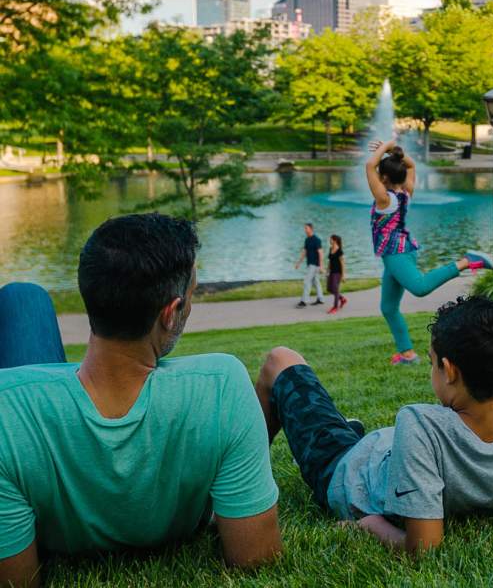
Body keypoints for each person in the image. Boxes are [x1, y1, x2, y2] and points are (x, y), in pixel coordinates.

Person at [0, 213, 281, 588]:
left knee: (24, 296)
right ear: (170, 313)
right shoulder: (222, 387)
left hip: (34, 411)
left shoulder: (7, 409)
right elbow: (255, 559)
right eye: (192, 295)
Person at [255, 296, 493, 556]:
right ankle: (349, 427)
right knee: (348, 428)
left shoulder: (420, 424)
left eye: (431, 361)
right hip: (381, 448)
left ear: (448, 371)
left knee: (280, 360)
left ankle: (244, 478)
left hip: (343, 465)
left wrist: (367, 525)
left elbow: (424, 547)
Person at [366, 139, 493, 365]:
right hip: (398, 252)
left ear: (384, 178)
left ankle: (467, 261)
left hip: (396, 253)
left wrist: (385, 147)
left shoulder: (384, 199)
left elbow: (369, 166)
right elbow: (412, 166)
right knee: (388, 307)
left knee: (420, 287)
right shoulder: (406, 192)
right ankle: (407, 354)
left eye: (380, 174)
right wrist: (393, 153)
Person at [294, 222, 324, 308]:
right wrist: (298, 263)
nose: (305, 230)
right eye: (304, 228)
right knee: (316, 282)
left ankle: (304, 301)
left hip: (315, 265)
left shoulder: (317, 240)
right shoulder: (307, 240)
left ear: (311, 229)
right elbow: (304, 252)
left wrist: (321, 266)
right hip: (310, 264)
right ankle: (320, 299)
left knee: (307, 281)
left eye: (306, 228)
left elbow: (321, 253)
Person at [326, 234, 347, 315]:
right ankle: (342, 299)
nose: (329, 240)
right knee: (329, 289)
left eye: (330, 239)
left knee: (335, 289)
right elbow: (330, 261)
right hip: (331, 272)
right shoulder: (331, 249)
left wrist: (343, 275)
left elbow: (342, 263)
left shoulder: (339, 251)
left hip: (337, 273)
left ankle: (335, 307)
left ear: (334, 240)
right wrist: (327, 270)